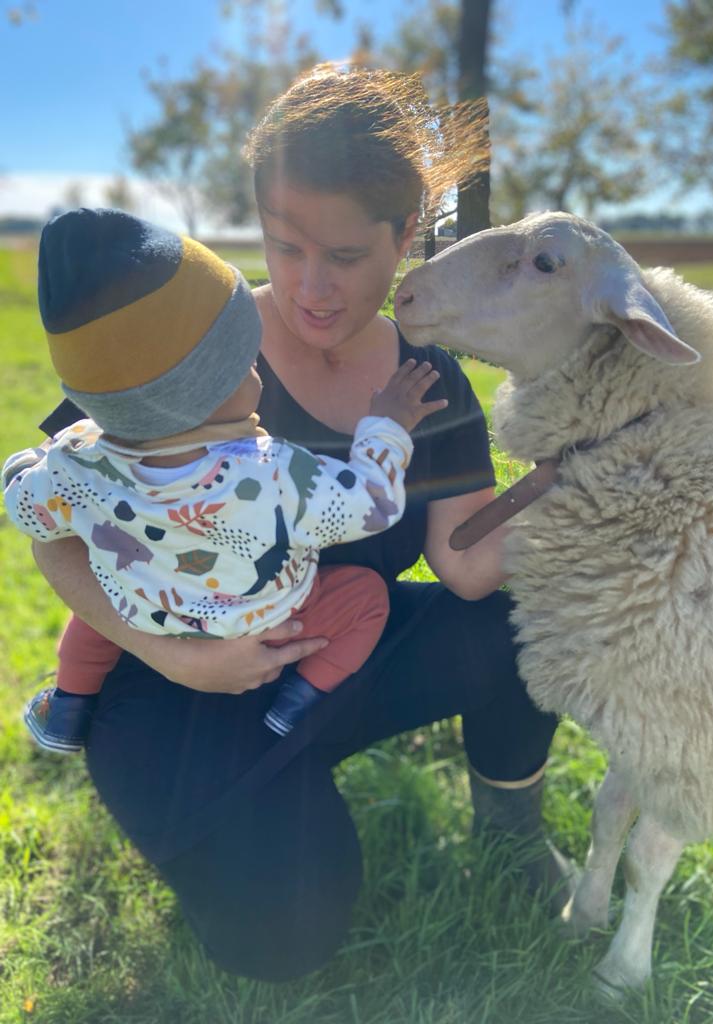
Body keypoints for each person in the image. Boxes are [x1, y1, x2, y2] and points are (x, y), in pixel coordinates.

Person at [28, 65, 567, 981]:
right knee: (281, 944)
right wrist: (177, 655)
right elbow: (56, 526)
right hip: (170, 682)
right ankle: (239, 807)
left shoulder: (427, 382)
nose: (312, 287)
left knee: (523, 624)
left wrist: (579, 482)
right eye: (283, 247)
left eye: (348, 258)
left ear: (406, 236)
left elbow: (469, 572)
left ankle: (511, 821)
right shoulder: (188, 336)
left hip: (337, 652)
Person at [4, 207, 447, 749]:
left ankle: (69, 708)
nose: (257, 367)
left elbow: (23, 508)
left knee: (94, 612)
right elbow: (372, 504)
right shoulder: (273, 472)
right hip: (267, 619)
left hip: (147, 613)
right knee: (366, 597)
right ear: (207, 388)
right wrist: (385, 427)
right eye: (244, 362)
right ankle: (298, 701)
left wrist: (29, 463)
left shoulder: (76, 464)